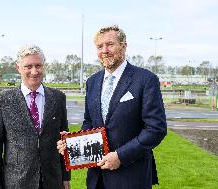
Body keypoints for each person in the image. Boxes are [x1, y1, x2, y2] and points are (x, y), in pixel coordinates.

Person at [57, 25, 167, 189]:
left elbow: (156, 129)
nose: (104, 50)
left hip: (131, 177)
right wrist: (74, 142)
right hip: (97, 178)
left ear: (123, 45)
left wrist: (121, 156)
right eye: (100, 46)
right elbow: (90, 121)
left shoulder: (145, 79)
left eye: (110, 44)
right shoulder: (92, 81)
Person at [0, 44, 71, 189]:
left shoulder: (58, 98)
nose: (34, 71)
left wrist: (66, 177)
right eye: (28, 66)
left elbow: (64, 141)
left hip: (52, 181)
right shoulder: (3, 100)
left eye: (38, 65)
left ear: (44, 66)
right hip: (17, 183)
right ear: (18, 68)